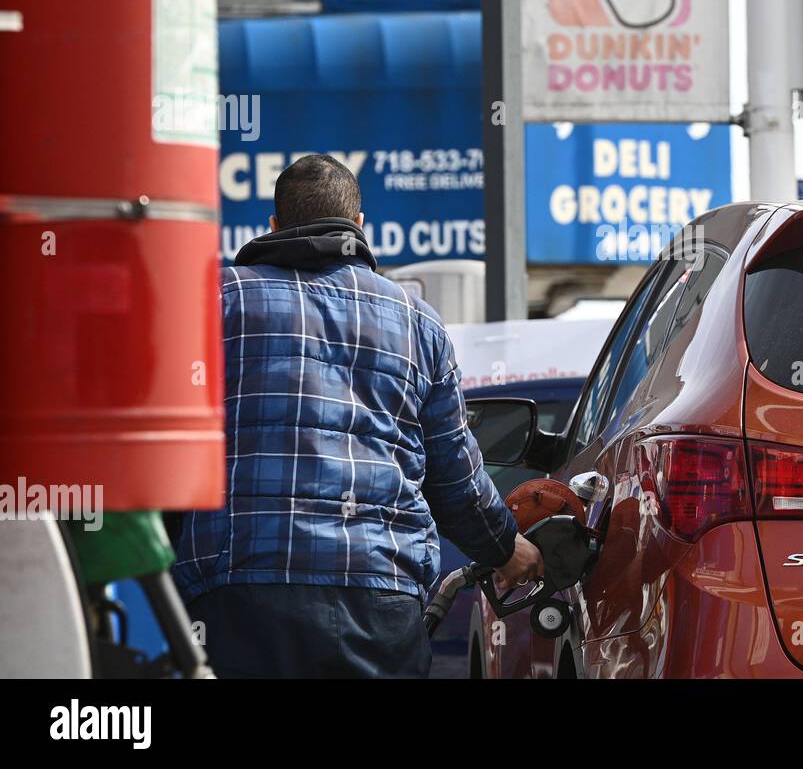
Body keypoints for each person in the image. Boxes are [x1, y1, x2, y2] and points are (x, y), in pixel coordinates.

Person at [173, 154, 542, 677]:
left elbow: (166, 447)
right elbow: (455, 478)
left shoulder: (216, 300)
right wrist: (506, 549)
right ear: (359, 226)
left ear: (274, 226)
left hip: (239, 590)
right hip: (378, 597)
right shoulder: (418, 323)